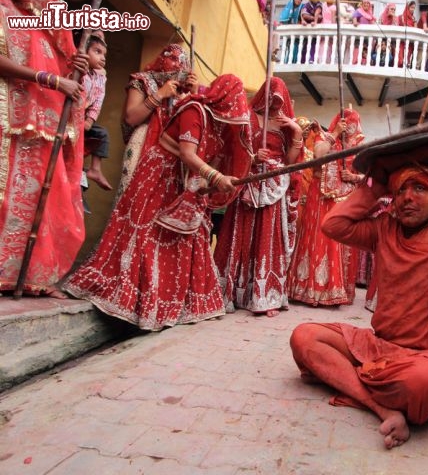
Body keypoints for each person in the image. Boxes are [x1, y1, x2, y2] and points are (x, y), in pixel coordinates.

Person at [290, 132, 428, 449]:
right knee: (304, 337)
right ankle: (382, 408)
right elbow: (333, 225)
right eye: (400, 191)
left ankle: (343, 376)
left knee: (422, 386)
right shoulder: (384, 228)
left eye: (419, 188)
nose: (407, 198)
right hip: (379, 347)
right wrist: (375, 185)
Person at [64, 74, 253, 330]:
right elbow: (187, 153)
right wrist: (215, 176)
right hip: (160, 174)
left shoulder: (217, 124)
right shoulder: (195, 110)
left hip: (185, 181)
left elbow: (208, 158)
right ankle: (139, 300)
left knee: (187, 237)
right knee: (148, 231)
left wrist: (219, 179)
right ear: (224, 99)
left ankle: (170, 302)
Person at [0, 0, 88, 298]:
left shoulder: (48, 27)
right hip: (7, 117)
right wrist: (50, 79)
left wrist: (73, 69)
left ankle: (29, 278)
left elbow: (63, 79)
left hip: (41, 129)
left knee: (39, 202)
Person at [214, 77, 303, 317]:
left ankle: (264, 296)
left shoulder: (286, 123)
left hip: (275, 186)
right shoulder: (250, 118)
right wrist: (253, 157)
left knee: (268, 237)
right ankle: (231, 293)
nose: (275, 104)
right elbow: (234, 150)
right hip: (248, 182)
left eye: (279, 99)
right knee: (239, 234)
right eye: (272, 98)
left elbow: (292, 160)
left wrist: (295, 130)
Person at [287, 109, 364, 306]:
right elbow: (318, 155)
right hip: (318, 196)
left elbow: (370, 178)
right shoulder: (325, 137)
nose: (350, 129)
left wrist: (354, 177)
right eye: (347, 124)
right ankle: (306, 288)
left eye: (353, 125)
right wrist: (335, 133)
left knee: (335, 242)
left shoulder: (359, 145)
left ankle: (333, 291)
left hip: (343, 200)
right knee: (313, 237)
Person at [118, 44, 199, 196]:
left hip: (171, 154)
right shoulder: (143, 80)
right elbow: (131, 118)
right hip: (142, 146)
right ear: (162, 58)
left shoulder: (183, 91)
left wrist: (193, 96)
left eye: (182, 61)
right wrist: (160, 94)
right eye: (173, 59)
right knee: (133, 195)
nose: (178, 65)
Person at [82, 34, 112, 191]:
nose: (103, 58)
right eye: (97, 51)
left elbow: (98, 101)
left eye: (104, 54)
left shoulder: (99, 77)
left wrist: (89, 121)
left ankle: (95, 169)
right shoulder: (77, 70)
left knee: (102, 134)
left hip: (82, 122)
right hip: (67, 119)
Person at [397, 1, 417, 68]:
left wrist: (415, 23)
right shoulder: (401, 17)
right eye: (411, 7)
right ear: (407, 7)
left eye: (414, 8)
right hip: (402, 40)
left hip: (410, 42)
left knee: (408, 57)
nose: (413, 9)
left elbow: (415, 30)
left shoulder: (413, 19)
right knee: (400, 57)